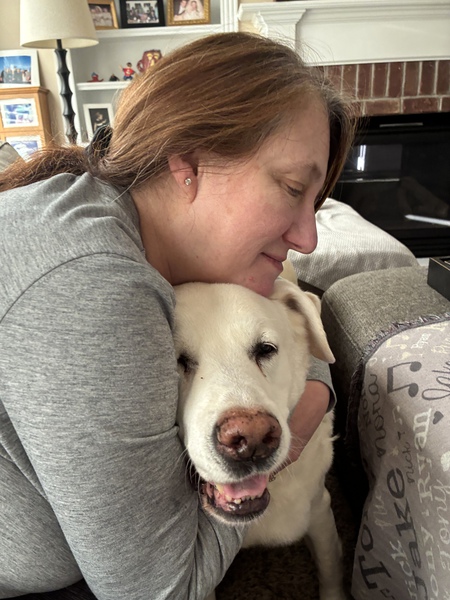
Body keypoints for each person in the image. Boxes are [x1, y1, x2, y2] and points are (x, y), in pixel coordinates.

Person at [0, 32, 354, 599]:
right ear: (188, 164)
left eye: (317, 202)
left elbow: (280, 316)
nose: (308, 238)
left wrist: (310, 374)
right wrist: (303, 415)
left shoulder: (107, 219)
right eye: (292, 188)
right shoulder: (94, 284)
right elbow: (163, 590)